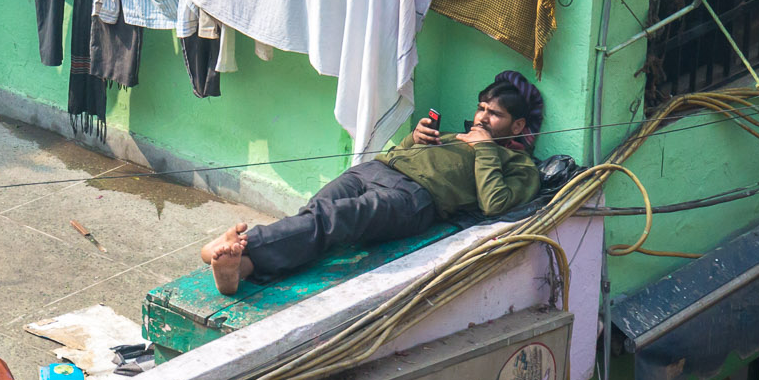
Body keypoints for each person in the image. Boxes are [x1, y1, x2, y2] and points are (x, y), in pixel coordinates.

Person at [200, 71, 543, 295]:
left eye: (495, 114)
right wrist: (414, 139)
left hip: (414, 198)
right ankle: (241, 265)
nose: (482, 117)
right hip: (376, 170)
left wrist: (484, 150)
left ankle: (245, 247)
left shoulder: (520, 166)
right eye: (482, 108)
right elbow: (408, 153)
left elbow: (495, 204)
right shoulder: (459, 135)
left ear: (517, 126)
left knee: (336, 219)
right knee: (319, 210)